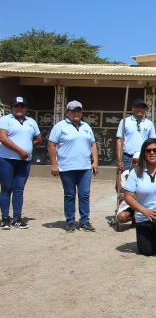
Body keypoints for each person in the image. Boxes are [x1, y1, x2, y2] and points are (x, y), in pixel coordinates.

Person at [47, 100, 99, 233]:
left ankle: (85, 221)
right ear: (67, 112)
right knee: (70, 195)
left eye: (79, 110)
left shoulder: (86, 126)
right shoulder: (60, 126)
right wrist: (54, 164)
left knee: (84, 195)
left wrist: (95, 162)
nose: (76, 113)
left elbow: (93, 144)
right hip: (67, 167)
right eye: (73, 110)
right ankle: (70, 221)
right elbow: (51, 145)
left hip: (84, 167)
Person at [0, 97, 42, 229]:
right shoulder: (5, 120)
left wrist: (27, 148)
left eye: (22, 106)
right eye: (16, 106)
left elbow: (38, 139)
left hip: (24, 161)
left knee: (19, 190)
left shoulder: (31, 122)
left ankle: (17, 217)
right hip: (7, 159)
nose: (19, 108)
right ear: (11, 108)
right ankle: (5, 217)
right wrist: (20, 150)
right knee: (6, 189)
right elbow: (3, 138)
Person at [116, 99, 156, 171]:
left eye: (142, 107)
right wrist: (119, 160)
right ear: (133, 108)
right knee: (126, 179)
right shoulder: (125, 121)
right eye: (138, 107)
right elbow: (119, 141)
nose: (140, 109)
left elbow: (152, 142)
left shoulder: (149, 124)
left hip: (143, 157)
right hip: (128, 158)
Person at [116, 152, 139, 226]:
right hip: (129, 204)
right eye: (135, 162)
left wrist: (127, 194)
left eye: (139, 162)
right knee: (121, 217)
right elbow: (119, 190)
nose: (136, 165)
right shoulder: (126, 173)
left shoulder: (147, 174)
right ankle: (134, 218)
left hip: (143, 204)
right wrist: (117, 173)